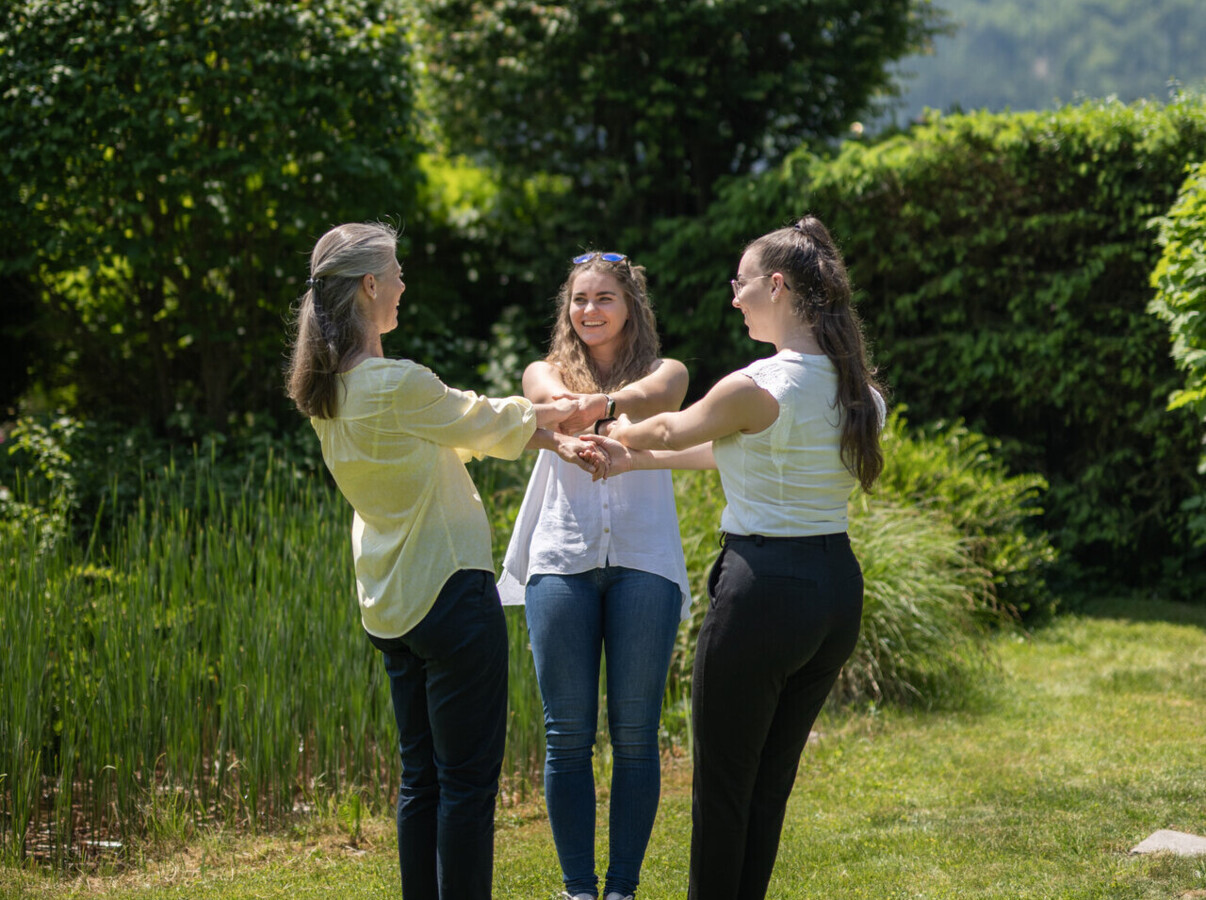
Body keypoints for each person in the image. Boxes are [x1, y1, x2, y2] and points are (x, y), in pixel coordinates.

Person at [284, 222, 601, 900]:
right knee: (466, 783)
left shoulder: (327, 392)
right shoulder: (397, 383)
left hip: (393, 604)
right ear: (370, 285)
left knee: (420, 777)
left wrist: (549, 437)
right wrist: (567, 415)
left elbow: (447, 437)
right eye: (395, 272)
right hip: (450, 596)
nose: (403, 284)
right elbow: (480, 416)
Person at [585, 216, 886, 900]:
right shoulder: (860, 392)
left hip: (763, 595)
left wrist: (611, 417)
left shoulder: (757, 385)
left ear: (776, 285)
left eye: (741, 283)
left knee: (722, 788)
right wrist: (634, 462)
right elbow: (731, 448)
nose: (734, 297)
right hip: (834, 594)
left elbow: (674, 424)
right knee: (767, 785)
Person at [497, 251, 692, 900]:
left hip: (645, 563)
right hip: (561, 563)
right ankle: (579, 889)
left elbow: (660, 395)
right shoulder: (544, 370)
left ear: (631, 306)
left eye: (604, 298)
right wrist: (571, 425)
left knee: (636, 735)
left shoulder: (666, 372)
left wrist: (602, 405)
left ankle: (623, 890)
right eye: (580, 299)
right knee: (568, 735)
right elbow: (546, 400)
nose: (589, 310)